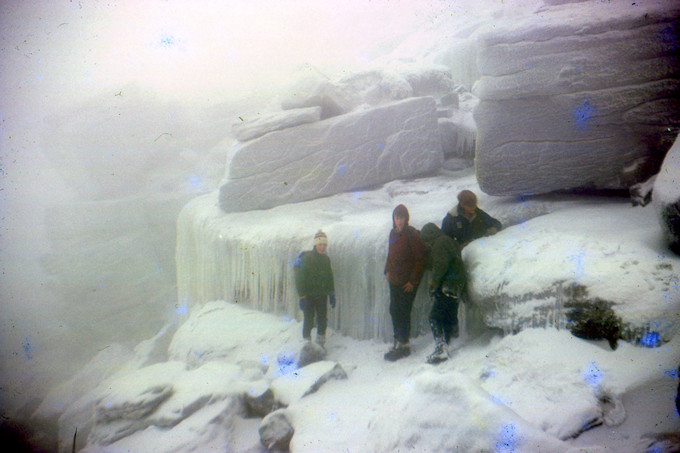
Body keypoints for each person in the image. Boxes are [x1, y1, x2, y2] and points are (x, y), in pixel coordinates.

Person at [419, 223, 467, 364]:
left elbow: (440, 266)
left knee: (434, 317)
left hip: (448, 284)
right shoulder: (448, 241)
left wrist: (433, 286)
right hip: (457, 285)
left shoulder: (440, 243)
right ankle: (451, 342)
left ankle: (441, 349)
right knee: (447, 317)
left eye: (426, 241)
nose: (426, 244)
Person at [383, 204, 426, 361]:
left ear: (406, 219)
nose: (399, 221)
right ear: (393, 219)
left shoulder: (411, 234)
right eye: (397, 217)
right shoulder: (392, 233)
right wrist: (387, 270)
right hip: (394, 280)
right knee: (394, 310)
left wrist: (412, 282)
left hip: (407, 282)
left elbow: (419, 259)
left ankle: (404, 344)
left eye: (401, 218)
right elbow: (390, 255)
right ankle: (398, 340)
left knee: (403, 311)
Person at [295, 230, 336, 348]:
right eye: (320, 244)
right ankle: (307, 344)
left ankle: (320, 343)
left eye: (324, 244)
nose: (322, 247)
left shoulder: (326, 259)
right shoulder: (307, 258)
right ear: (315, 244)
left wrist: (331, 292)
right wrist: (302, 296)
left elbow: (329, 276)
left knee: (323, 319)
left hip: (322, 295)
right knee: (308, 318)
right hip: (309, 295)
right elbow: (300, 278)